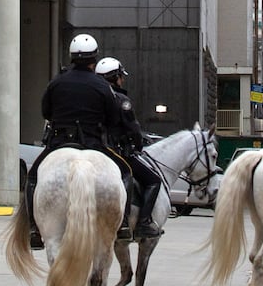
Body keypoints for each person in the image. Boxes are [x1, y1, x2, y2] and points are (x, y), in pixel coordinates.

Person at [25, 33, 125, 247]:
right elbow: (113, 118)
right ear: (94, 58)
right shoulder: (102, 86)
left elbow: (46, 112)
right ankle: (123, 224)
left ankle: (33, 226)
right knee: (125, 173)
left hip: (60, 142)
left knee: (33, 177)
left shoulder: (57, 83)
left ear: (71, 57)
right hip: (94, 144)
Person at [96, 57, 165, 239]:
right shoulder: (120, 99)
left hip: (93, 149)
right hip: (117, 152)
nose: (123, 80)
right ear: (115, 77)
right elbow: (132, 128)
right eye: (120, 76)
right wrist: (138, 144)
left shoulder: (93, 97)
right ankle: (142, 222)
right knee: (153, 180)